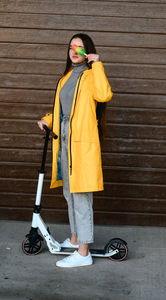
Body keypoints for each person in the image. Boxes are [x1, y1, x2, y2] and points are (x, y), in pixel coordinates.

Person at [38, 33, 113, 268]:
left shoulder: (91, 76)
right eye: (72, 47)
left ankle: (83, 253)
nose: (74, 51)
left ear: (87, 52)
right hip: (65, 144)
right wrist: (48, 120)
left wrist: (97, 63)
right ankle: (74, 239)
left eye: (80, 48)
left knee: (81, 198)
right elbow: (63, 111)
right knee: (69, 195)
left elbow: (104, 95)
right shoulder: (66, 77)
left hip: (81, 146)